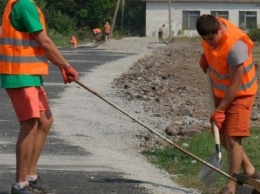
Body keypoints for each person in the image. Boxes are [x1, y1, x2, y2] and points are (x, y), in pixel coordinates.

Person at [0, 0, 78, 194]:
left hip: (29, 74)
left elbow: (39, 43)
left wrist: (61, 66)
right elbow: (44, 41)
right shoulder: (24, 5)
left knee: (45, 121)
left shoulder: (28, 5)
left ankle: (30, 175)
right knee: (29, 123)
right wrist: (65, 66)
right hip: (18, 73)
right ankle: (20, 184)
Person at [196, 14, 259, 194]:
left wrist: (221, 109)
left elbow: (235, 83)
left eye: (212, 39)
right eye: (205, 40)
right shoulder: (210, 30)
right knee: (218, 131)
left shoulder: (235, 46)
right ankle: (249, 170)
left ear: (220, 30)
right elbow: (210, 51)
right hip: (221, 91)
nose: (210, 43)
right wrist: (205, 58)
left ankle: (231, 187)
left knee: (233, 137)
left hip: (240, 93)